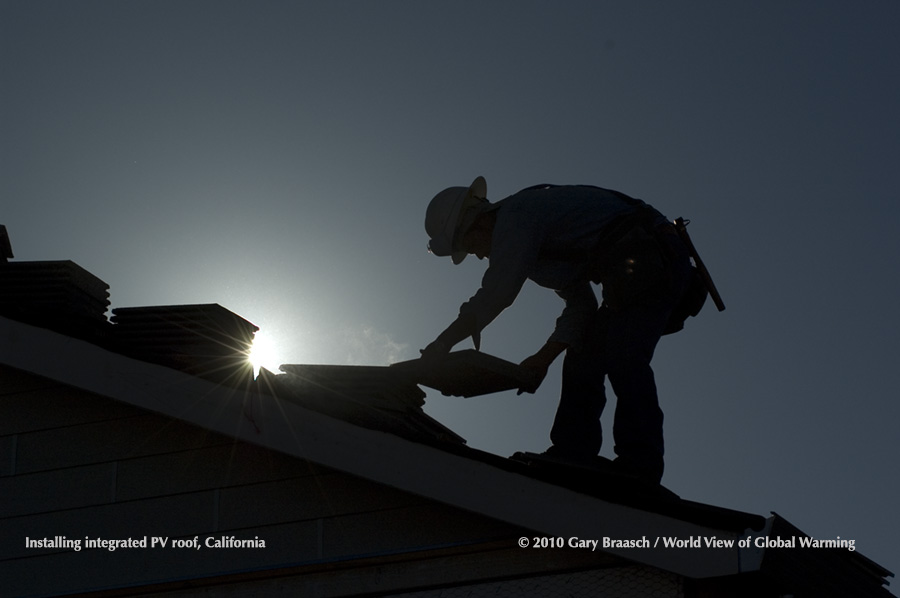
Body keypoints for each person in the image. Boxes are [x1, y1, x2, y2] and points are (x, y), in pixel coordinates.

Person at [421, 176, 698, 484]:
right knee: (584, 355)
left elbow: (496, 292)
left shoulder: (517, 216)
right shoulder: (537, 250)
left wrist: (442, 343)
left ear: (475, 223)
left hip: (654, 259)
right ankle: (574, 452)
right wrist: (543, 359)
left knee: (625, 356)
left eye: (470, 247)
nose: (478, 255)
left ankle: (641, 467)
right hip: (633, 268)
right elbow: (581, 308)